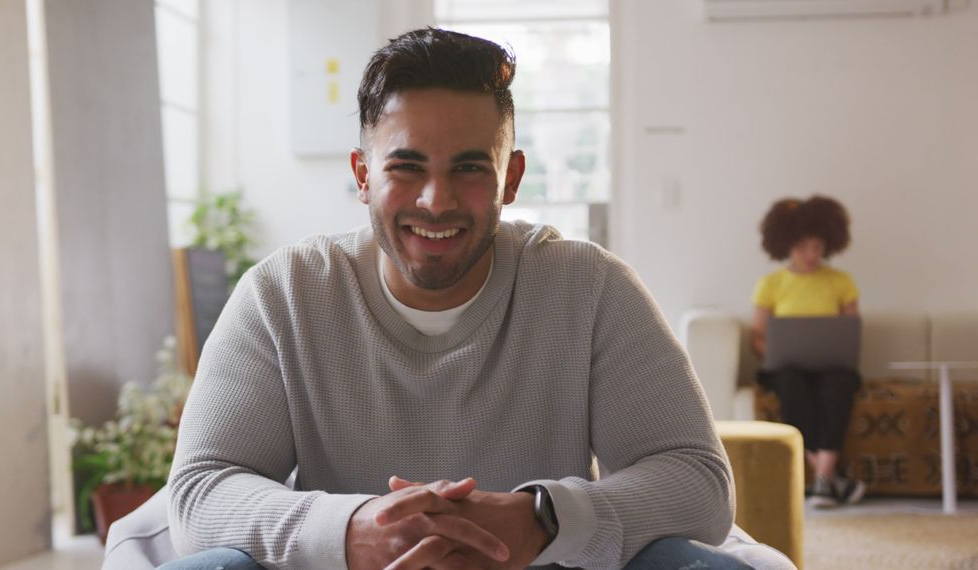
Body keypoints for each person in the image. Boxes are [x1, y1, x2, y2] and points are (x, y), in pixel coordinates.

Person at [161, 28, 792, 569]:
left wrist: (544, 517)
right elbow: (197, 494)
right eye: (406, 167)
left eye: (469, 168)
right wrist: (352, 531)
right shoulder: (284, 294)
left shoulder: (589, 287)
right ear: (361, 175)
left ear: (511, 177)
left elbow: (699, 485)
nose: (435, 201)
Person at [750, 196, 866, 509]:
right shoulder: (771, 283)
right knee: (790, 383)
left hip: (833, 368)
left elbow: (850, 332)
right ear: (786, 245)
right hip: (787, 369)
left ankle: (822, 481)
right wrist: (773, 353)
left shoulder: (841, 281)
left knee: (839, 384)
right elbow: (758, 336)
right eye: (804, 247)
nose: (812, 254)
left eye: (817, 247)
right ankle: (829, 480)